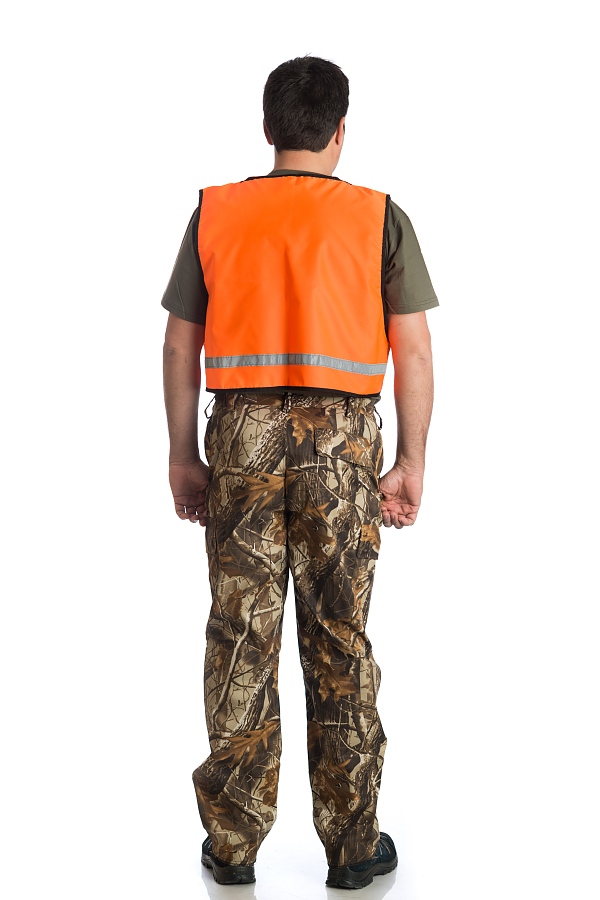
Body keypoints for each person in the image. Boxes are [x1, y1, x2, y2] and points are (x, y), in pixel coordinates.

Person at [161, 55, 438, 890]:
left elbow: (179, 343)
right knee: (338, 637)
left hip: (240, 437)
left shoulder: (217, 212)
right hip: (341, 445)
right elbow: (414, 350)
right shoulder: (379, 217)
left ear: (268, 128)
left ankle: (232, 847)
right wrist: (409, 462)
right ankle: (353, 849)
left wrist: (183, 454)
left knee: (241, 635)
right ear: (341, 131)